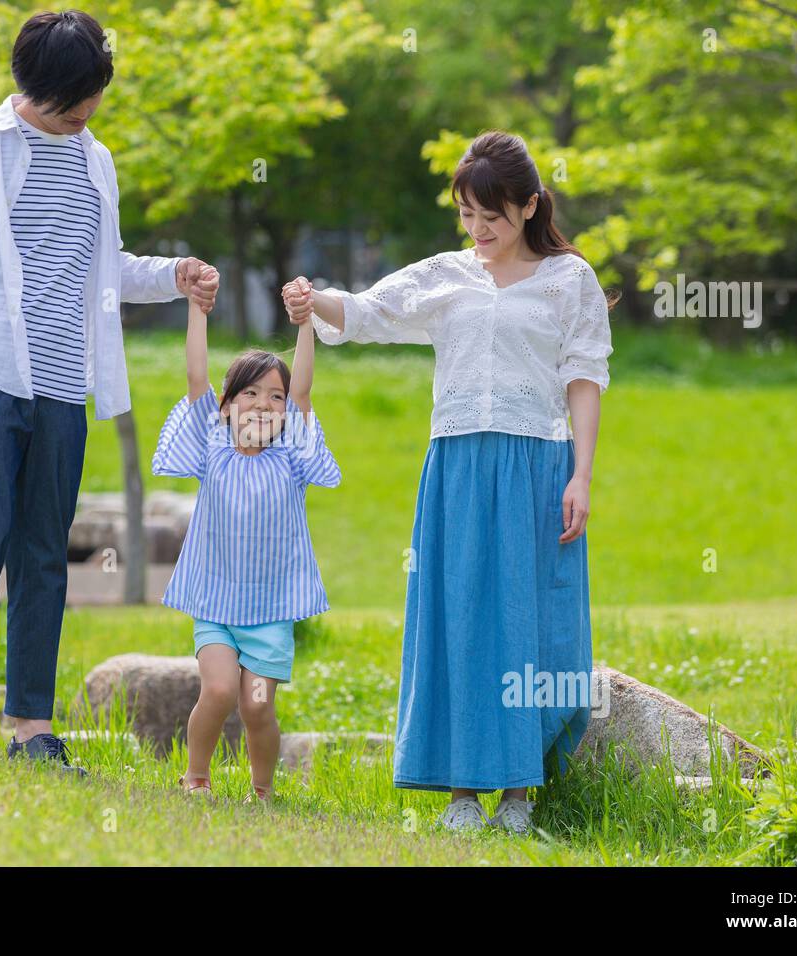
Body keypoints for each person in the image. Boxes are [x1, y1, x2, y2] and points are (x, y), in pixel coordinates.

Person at [0, 10, 219, 771]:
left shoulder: (97, 160)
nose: (88, 111)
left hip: (62, 382)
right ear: (39, 88)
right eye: (76, 99)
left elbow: (105, 264)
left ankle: (31, 726)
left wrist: (172, 276)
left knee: (43, 551)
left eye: (93, 96)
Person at [282, 129, 613, 833]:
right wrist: (314, 300)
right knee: (458, 617)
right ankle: (463, 791)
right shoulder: (448, 275)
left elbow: (583, 378)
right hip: (457, 467)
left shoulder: (568, 281)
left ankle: (520, 793)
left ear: (528, 206)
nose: (478, 230)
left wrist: (581, 474)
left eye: (491, 216)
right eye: (467, 215)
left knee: (529, 621)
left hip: (539, 464)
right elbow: (371, 311)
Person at [151, 276, 341, 801]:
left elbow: (303, 391)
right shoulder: (212, 449)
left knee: (256, 704)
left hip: (271, 608)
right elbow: (195, 378)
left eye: (273, 396)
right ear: (226, 405)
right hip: (214, 602)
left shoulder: (293, 457)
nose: (264, 403)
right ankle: (197, 778)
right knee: (216, 690)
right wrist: (197, 309)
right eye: (250, 393)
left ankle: (262, 791)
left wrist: (305, 324)